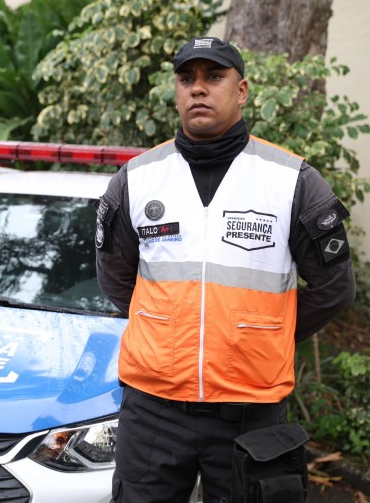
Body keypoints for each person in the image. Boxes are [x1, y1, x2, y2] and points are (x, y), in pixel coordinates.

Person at [94, 37, 356, 503]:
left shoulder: (291, 180)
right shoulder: (137, 178)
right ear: (176, 91)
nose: (198, 88)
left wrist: (264, 337)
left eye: (213, 77)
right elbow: (116, 278)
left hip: (251, 410)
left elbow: (335, 287)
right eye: (186, 79)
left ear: (242, 90)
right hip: (154, 409)